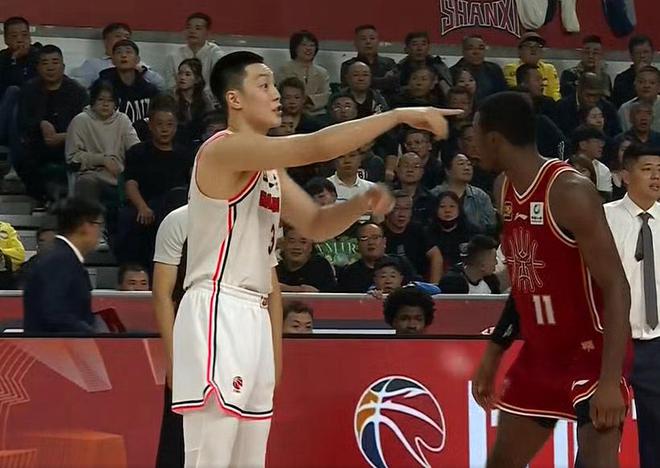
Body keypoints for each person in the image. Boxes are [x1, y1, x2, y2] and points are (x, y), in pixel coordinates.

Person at [171, 50, 456, 467]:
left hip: (255, 312)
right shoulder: (222, 150)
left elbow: (317, 224)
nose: (275, 94)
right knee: (211, 456)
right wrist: (396, 115)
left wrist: (360, 203)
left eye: (274, 84)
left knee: (250, 459)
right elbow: (316, 145)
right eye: (264, 85)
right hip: (219, 304)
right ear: (234, 99)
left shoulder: (268, 168)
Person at [470, 92, 631, 467]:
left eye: (475, 136)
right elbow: (524, 281)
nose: (471, 146)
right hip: (541, 354)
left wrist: (610, 381)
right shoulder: (503, 188)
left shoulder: (569, 191)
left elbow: (616, 286)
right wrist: (493, 354)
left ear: (494, 138)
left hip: (591, 355)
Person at [603, 144, 660, 468]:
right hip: (611, 344)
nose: (656, 176)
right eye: (647, 169)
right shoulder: (604, 218)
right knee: (600, 433)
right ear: (625, 175)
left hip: (657, 346)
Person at [119, 95, 192, 267]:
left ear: (176, 126)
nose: (165, 129)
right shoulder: (138, 152)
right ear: (150, 125)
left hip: (177, 210)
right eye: (160, 124)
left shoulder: (185, 154)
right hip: (147, 207)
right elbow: (130, 183)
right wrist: (142, 207)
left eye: (170, 124)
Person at [17, 45, 89, 204]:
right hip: (38, 143)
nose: (50, 67)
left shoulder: (77, 92)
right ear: (38, 67)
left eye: (55, 62)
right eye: (45, 63)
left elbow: (85, 126)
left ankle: (64, 199)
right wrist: (40, 124)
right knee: (22, 157)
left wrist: (63, 136)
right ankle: (40, 198)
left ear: (63, 66)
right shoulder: (29, 90)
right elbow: (23, 121)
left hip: (69, 144)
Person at [23, 197, 106, 333]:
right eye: (99, 225)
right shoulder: (59, 261)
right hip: (54, 345)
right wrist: (92, 334)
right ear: (85, 225)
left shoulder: (63, 257)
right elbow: (54, 314)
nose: (101, 232)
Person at [66, 80, 140, 216]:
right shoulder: (80, 121)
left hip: (118, 177)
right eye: (101, 99)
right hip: (91, 175)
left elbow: (136, 150)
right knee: (86, 183)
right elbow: (72, 157)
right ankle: (89, 225)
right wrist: (102, 160)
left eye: (110, 100)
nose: (105, 104)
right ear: (93, 101)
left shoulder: (122, 120)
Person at [152, 203, 188, 468]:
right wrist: (174, 362)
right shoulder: (179, 221)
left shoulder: (249, 220)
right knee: (178, 435)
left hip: (237, 336)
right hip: (190, 338)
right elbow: (162, 294)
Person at [70, 22, 164, 89]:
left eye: (127, 37)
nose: (123, 40)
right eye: (118, 36)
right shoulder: (94, 64)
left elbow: (161, 85)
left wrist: (143, 71)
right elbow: (77, 86)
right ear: (106, 41)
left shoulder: (140, 65)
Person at [0, 16, 41, 167]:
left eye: (24, 35)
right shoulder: (2, 59)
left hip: (31, 114)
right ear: (6, 40)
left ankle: (13, 163)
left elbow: (34, 89)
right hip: (3, 117)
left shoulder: (39, 58)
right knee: (13, 92)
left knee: (18, 98)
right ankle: (14, 165)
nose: (20, 40)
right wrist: (14, 61)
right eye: (14, 36)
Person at [95, 40, 159, 126]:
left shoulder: (149, 90)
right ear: (113, 60)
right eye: (119, 52)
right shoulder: (102, 86)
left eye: (128, 52)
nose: (123, 55)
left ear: (137, 60)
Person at [383, 191, 443, 282]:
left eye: (407, 209)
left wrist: (433, 286)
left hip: (416, 283)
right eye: (396, 208)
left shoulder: (418, 230)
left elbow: (436, 256)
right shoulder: (379, 232)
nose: (402, 214)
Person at [432, 153, 497, 234]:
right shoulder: (434, 195)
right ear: (448, 170)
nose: (467, 168)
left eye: (469, 164)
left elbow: (491, 226)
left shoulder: (481, 196)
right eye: (461, 164)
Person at [276, 30, 330, 116]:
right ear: (295, 48)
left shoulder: (322, 72)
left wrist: (309, 100)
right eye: (304, 45)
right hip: (289, 114)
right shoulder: (284, 69)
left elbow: (326, 96)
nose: (308, 48)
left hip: (317, 114)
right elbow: (280, 94)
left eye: (312, 45)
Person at [165, 12, 223, 91]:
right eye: (188, 27)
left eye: (198, 28)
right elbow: (170, 87)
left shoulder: (216, 55)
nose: (192, 31)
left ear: (208, 33)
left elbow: (218, 85)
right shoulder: (173, 56)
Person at [556, 72, 621, 138]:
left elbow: (616, 137)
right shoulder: (562, 107)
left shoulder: (608, 109)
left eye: (597, 96)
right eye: (589, 95)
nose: (592, 99)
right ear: (579, 90)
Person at [426, 191, 477, 273]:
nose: (447, 210)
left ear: (459, 209)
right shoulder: (427, 233)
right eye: (442, 206)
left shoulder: (472, 232)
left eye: (452, 206)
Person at [340, 25, 398, 96]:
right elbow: (348, 89)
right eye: (363, 39)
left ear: (378, 42)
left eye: (372, 38)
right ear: (355, 43)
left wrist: (365, 82)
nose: (368, 42)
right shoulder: (348, 65)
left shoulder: (389, 63)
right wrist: (384, 80)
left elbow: (395, 84)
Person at [276, 226, 336, 292]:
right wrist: (298, 289)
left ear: (311, 247)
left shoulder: (320, 266)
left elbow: (327, 295)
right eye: (291, 241)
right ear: (283, 244)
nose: (297, 247)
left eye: (303, 242)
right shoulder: (275, 269)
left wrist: (280, 287)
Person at [503, 32, 560, 101]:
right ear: (519, 51)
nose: (533, 49)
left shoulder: (549, 69)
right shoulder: (512, 68)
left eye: (537, 46)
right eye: (528, 45)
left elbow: (555, 93)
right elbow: (517, 92)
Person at [171, 58, 215, 145]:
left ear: (197, 79)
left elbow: (211, 120)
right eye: (180, 73)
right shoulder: (170, 98)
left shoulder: (204, 98)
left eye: (187, 74)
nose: (182, 77)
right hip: (177, 141)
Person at [450, 35, 507, 101]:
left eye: (481, 48)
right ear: (463, 51)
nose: (476, 52)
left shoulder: (494, 70)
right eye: (470, 48)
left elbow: (503, 96)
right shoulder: (453, 72)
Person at [396, 32, 452, 99]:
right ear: (406, 49)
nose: (419, 48)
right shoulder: (399, 70)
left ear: (428, 47)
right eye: (414, 44)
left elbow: (449, 92)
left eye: (423, 44)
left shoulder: (439, 68)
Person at [612, 35, 655, 108]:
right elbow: (620, 104)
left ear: (652, 54)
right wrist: (639, 75)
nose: (642, 56)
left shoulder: (658, 77)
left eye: (646, 52)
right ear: (631, 56)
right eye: (638, 53)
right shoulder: (621, 79)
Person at [394, 152, 437, 223]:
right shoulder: (387, 196)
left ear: (422, 172)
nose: (410, 170)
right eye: (406, 166)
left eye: (416, 167)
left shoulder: (430, 199)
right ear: (397, 169)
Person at [572, 125, 612, 198]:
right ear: (583, 145)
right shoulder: (565, 166)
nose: (601, 145)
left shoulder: (603, 169)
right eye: (596, 141)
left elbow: (606, 199)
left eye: (602, 142)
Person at [618, 65, 660, 133]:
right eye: (641, 82)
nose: (646, 86)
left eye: (652, 83)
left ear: (659, 87)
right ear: (635, 85)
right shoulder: (624, 109)